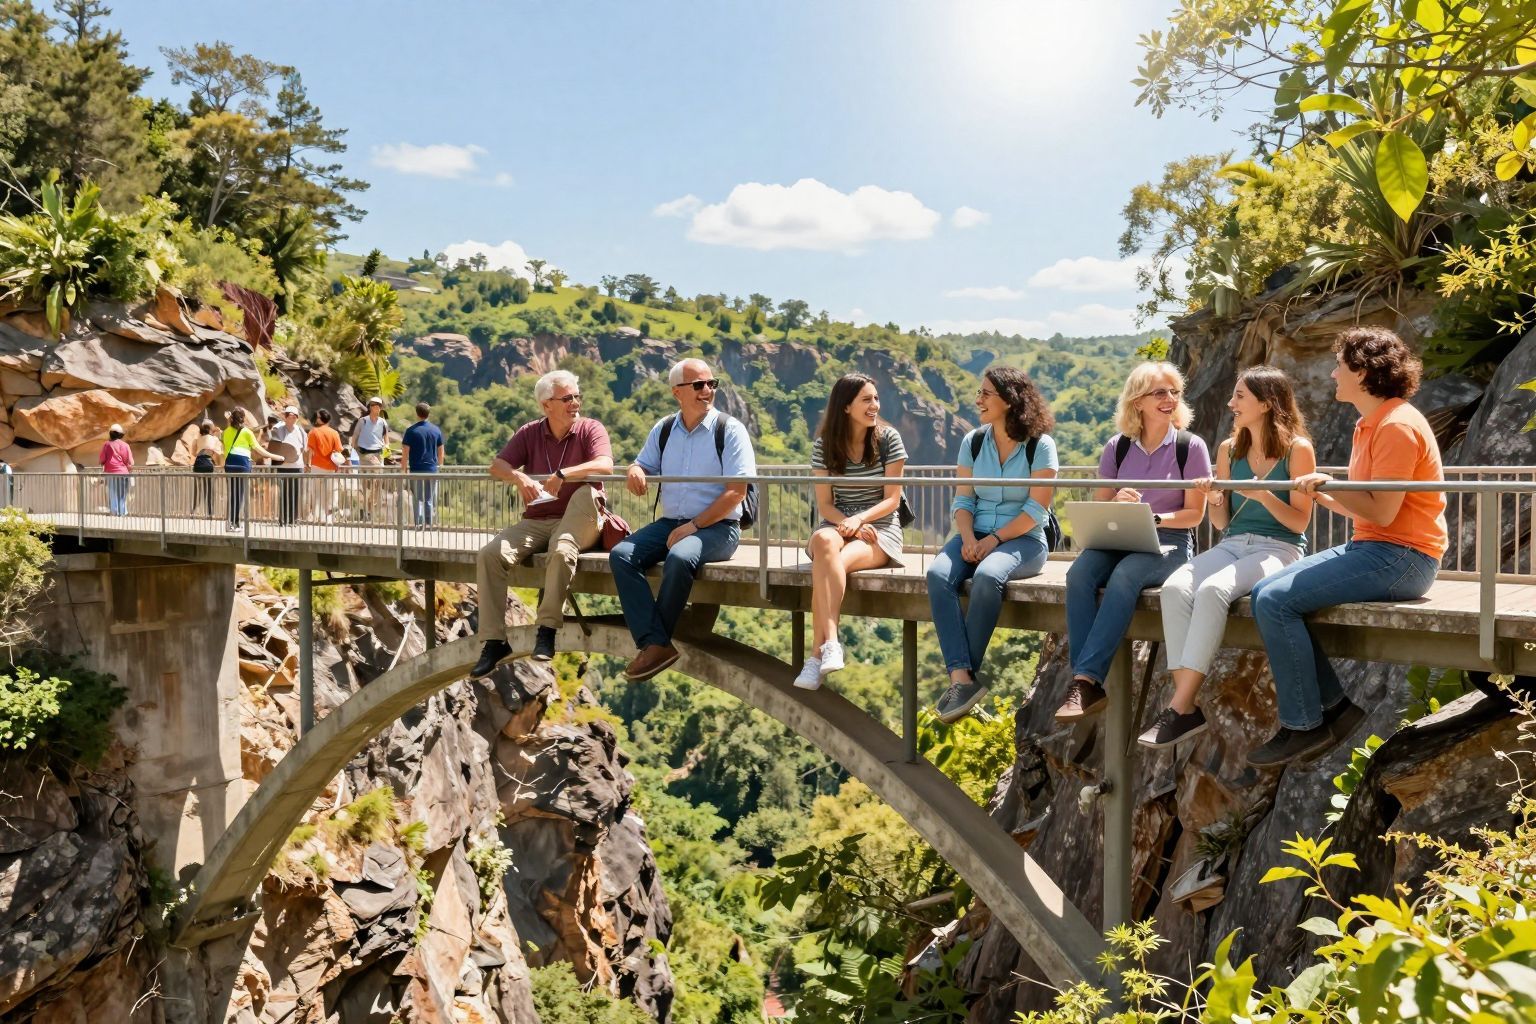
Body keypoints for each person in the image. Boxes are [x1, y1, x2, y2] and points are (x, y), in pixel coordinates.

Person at [1245, 327, 1447, 767]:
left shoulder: (1396, 425)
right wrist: (1322, 493)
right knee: (1264, 593)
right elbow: (1368, 508)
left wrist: (1330, 484)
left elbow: (1386, 512)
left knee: (1277, 601)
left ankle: (1306, 724)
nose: (1333, 373)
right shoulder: (1371, 423)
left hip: (1403, 558)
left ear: (1363, 371)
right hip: (1377, 548)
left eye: (1340, 365)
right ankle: (1334, 708)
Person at [1141, 365, 1316, 748]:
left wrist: (1264, 495)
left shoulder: (1298, 450)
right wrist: (1216, 497)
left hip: (1279, 548)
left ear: (1267, 404)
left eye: (1240, 397)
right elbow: (1221, 522)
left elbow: (1299, 522)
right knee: (1175, 588)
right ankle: (1183, 708)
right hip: (1233, 543)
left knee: (1213, 591)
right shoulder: (1228, 448)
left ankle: (1180, 707)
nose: (1230, 402)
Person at [1057, 361, 1211, 722]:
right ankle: (1085, 682)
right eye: (1160, 392)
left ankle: (1084, 681)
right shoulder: (1117, 448)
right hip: (1119, 534)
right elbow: (1101, 503)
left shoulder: (1191, 447)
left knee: (1125, 576)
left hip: (1170, 540)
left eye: (1174, 392)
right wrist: (1116, 504)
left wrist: (1154, 518)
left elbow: (1195, 515)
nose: (1170, 398)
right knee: (1078, 575)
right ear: (1137, 401)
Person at [611, 359, 756, 682]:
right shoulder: (664, 429)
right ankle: (657, 643)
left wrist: (695, 526)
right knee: (621, 556)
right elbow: (642, 464)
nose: (708, 391)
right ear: (677, 392)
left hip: (718, 527)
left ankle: (653, 644)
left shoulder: (729, 430)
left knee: (679, 557)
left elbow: (736, 493)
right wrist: (635, 470)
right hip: (672, 522)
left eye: (711, 384)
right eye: (699, 385)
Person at [928, 366, 1058, 721]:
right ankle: (962, 678)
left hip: (1024, 541)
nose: (978, 399)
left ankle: (963, 678)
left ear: (1010, 400)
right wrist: (969, 538)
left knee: (987, 575)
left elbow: (1036, 509)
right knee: (938, 575)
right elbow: (963, 501)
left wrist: (993, 541)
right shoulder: (972, 442)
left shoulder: (1040, 446)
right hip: (975, 535)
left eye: (986, 393)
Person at [471, 370, 614, 676]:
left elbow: (605, 465)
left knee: (562, 551)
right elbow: (497, 465)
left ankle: (546, 629)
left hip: (581, 517)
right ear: (547, 404)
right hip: (539, 519)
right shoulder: (530, 433)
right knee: (489, 555)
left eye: (577, 396)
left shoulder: (590, 429)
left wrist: (565, 474)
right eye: (568, 398)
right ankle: (494, 640)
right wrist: (518, 475)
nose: (575, 403)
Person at [795, 373, 908, 689]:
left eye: (875, 399)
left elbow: (892, 500)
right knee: (822, 542)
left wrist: (859, 522)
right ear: (845, 407)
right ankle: (831, 643)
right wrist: (848, 524)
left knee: (833, 565)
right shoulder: (825, 447)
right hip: (838, 524)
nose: (875, 406)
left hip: (880, 529)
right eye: (866, 400)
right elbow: (826, 505)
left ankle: (817, 655)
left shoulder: (888, 439)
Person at [222, 408, 284, 532]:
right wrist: (275, 456)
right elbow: (258, 449)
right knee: (240, 495)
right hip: (242, 465)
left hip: (229, 464)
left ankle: (230, 523)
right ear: (243, 418)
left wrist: (228, 420)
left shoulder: (226, 431)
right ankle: (235, 523)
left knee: (232, 494)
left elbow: (229, 439)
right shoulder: (246, 432)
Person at [401, 402, 446, 526]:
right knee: (429, 499)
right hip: (432, 469)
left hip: (416, 470)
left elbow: (405, 452)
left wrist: (403, 470)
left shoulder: (411, 431)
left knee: (418, 499)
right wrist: (440, 465)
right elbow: (441, 450)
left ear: (417, 414)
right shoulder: (436, 430)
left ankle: (419, 524)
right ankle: (429, 523)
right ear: (428, 413)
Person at [350, 397, 391, 520]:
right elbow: (355, 438)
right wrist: (358, 452)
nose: (377, 407)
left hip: (378, 454)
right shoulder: (363, 421)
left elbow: (386, 437)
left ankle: (369, 509)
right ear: (370, 407)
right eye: (374, 405)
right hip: (364, 454)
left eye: (379, 405)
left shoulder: (383, 422)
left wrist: (387, 447)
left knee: (377, 483)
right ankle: (367, 510)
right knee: (365, 484)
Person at [269, 406, 308, 526]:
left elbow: (304, 448)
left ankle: (293, 519)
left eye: (294, 416)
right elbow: (274, 446)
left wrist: (306, 463)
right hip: (283, 466)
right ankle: (283, 519)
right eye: (289, 416)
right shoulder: (278, 429)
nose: (292, 418)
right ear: (285, 417)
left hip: (297, 465)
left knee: (295, 493)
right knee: (284, 493)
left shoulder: (300, 430)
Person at [306, 409, 344, 521]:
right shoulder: (334, 433)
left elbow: (310, 450)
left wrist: (308, 464)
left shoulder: (313, 432)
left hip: (317, 466)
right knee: (330, 493)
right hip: (330, 466)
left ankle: (317, 517)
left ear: (321, 419)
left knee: (317, 493)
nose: (316, 419)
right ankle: (329, 518)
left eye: (317, 417)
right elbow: (338, 450)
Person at [99, 424, 133, 516]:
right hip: (123, 473)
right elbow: (130, 462)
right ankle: (123, 513)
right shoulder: (125, 445)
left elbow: (102, 459)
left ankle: (114, 512)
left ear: (111, 433)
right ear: (120, 435)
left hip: (110, 473)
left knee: (113, 493)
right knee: (122, 494)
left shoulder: (106, 445)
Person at [192, 420, 221, 517]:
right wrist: (218, 435)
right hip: (208, 463)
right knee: (209, 490)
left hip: (198, 463)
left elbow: (193, 453)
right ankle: (210, 513)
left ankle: (193, 511)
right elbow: (219, 451)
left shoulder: (197, 439)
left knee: (197, 490)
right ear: (210, 429)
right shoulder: (214, 439)